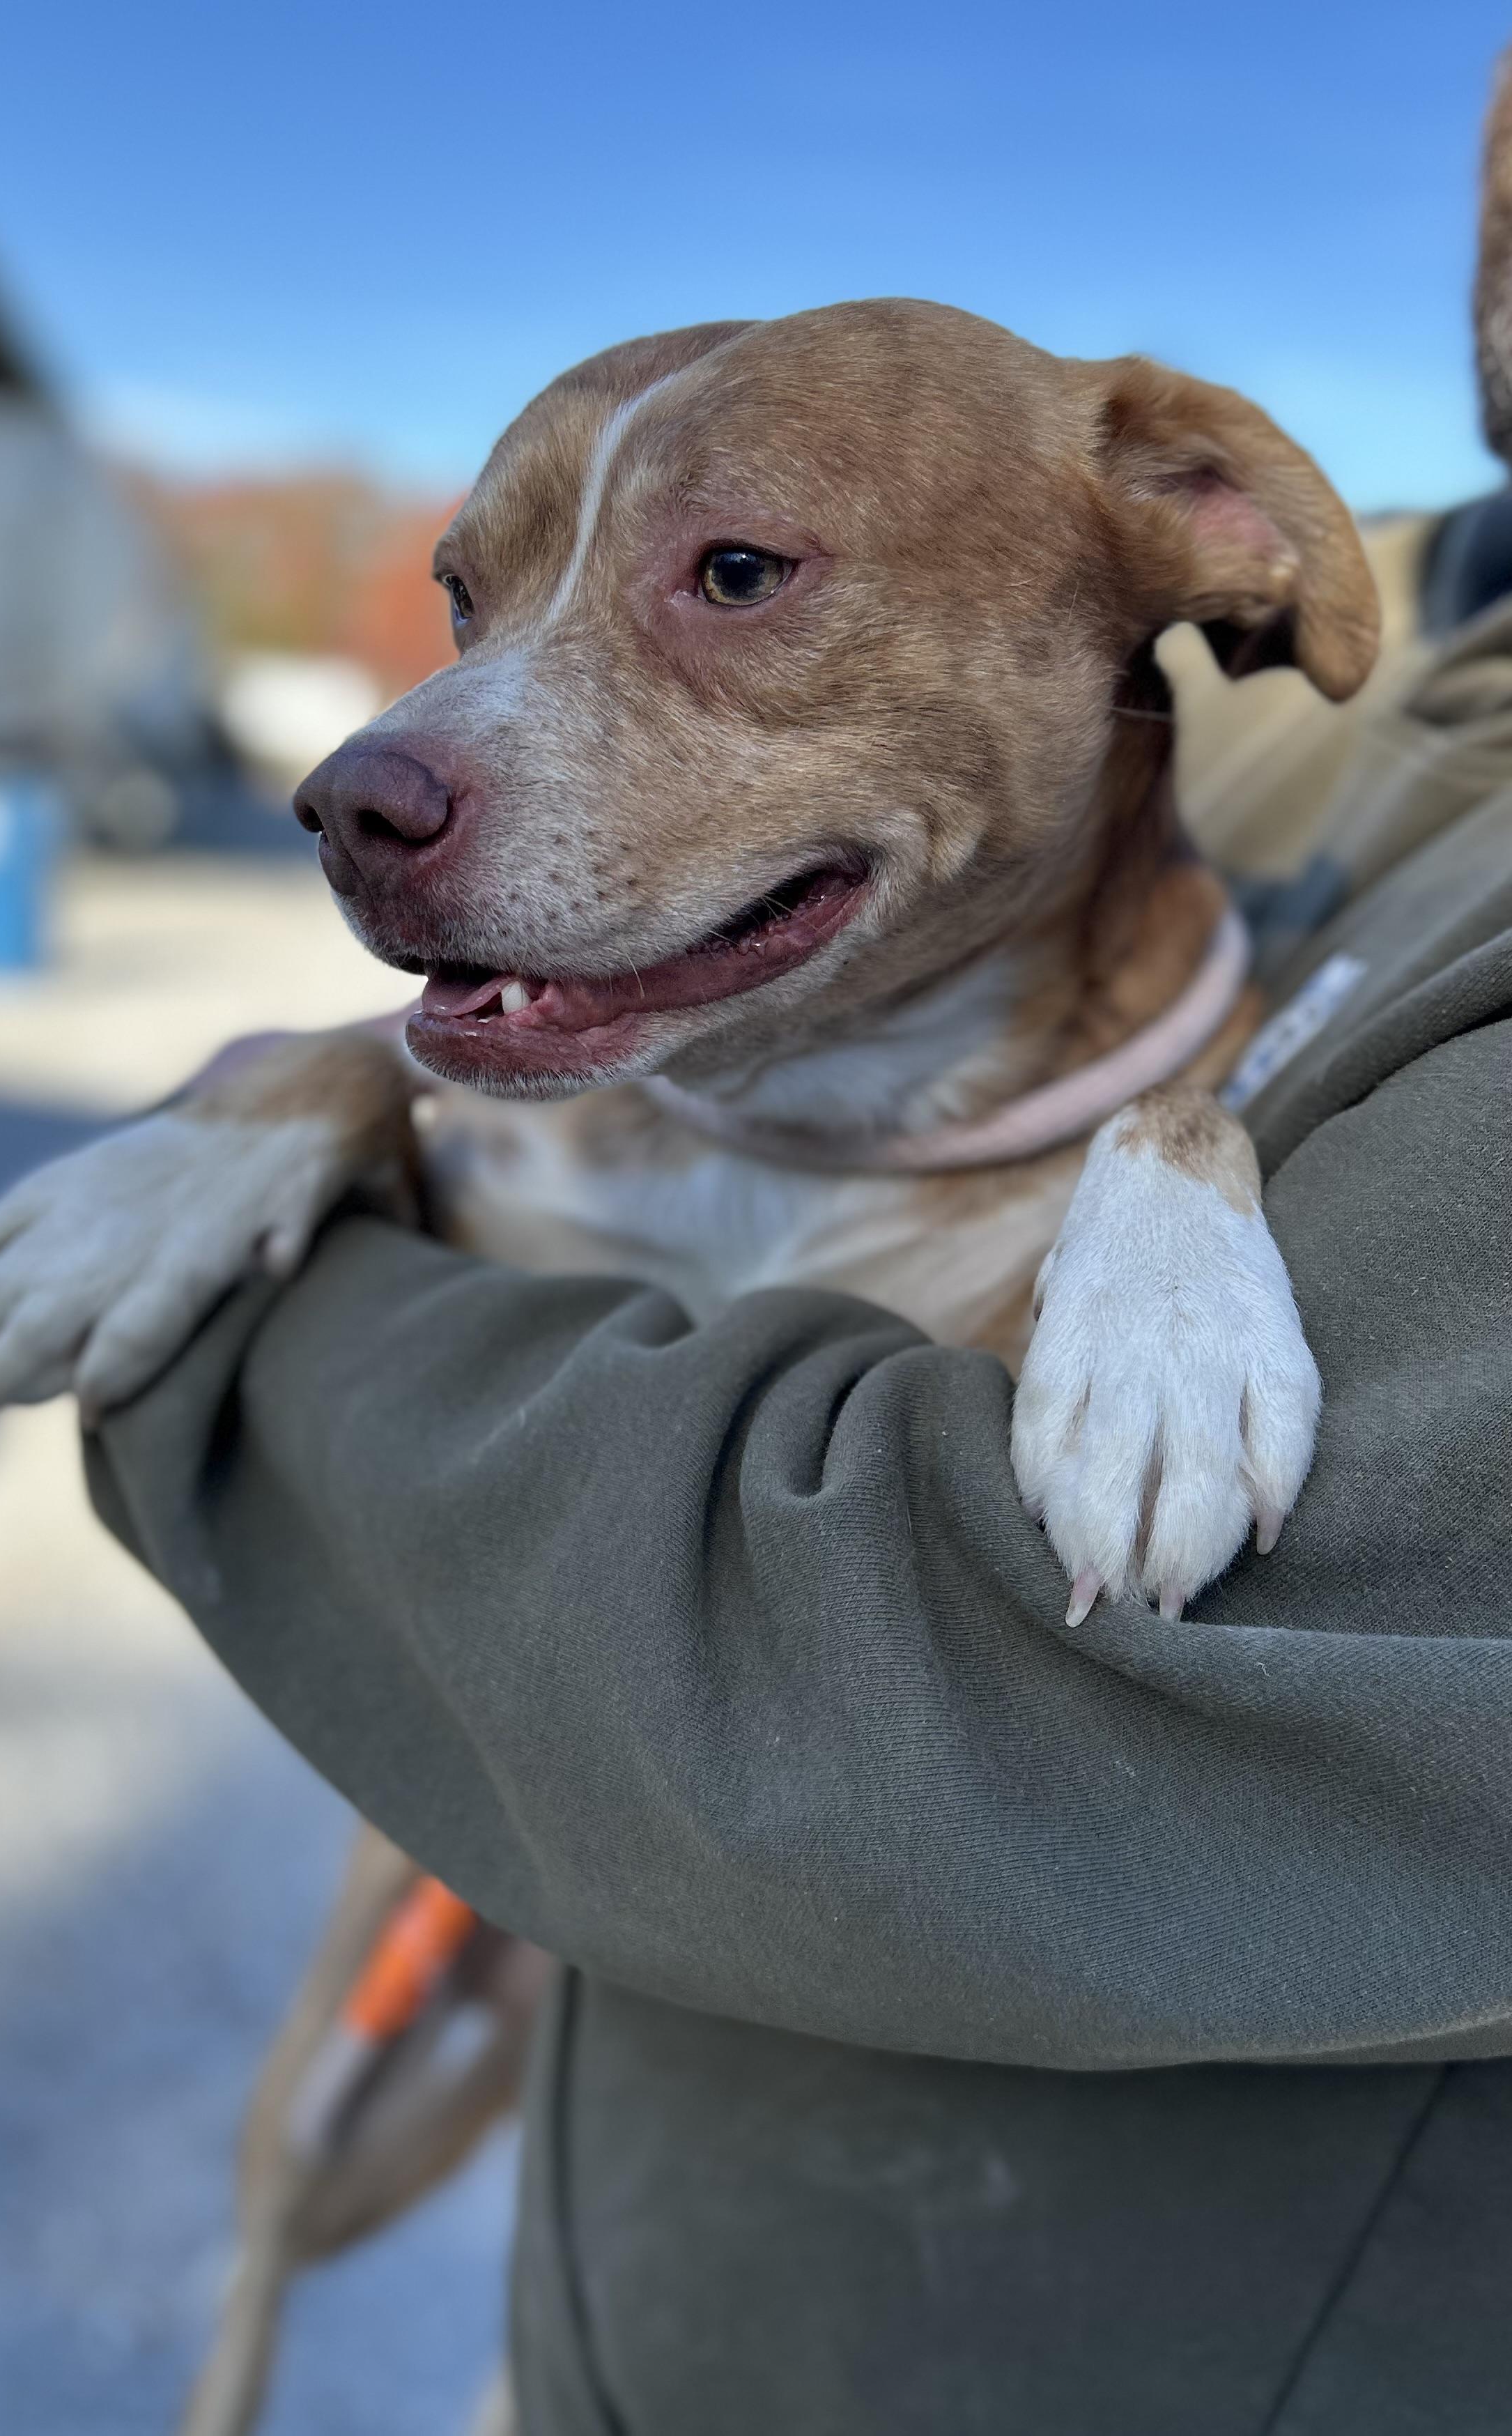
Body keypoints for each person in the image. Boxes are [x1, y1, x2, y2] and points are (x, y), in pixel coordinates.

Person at [86, 530, 1512, 2431]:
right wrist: (327, 1084)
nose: (402, 745)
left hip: (1024, 2318)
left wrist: (232, 1360)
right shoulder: (1299, 659)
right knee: (295, 2168)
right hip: (634, 2237)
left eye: (739, 575)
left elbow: (947, 1700)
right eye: (480, 598)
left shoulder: (1186, 618)